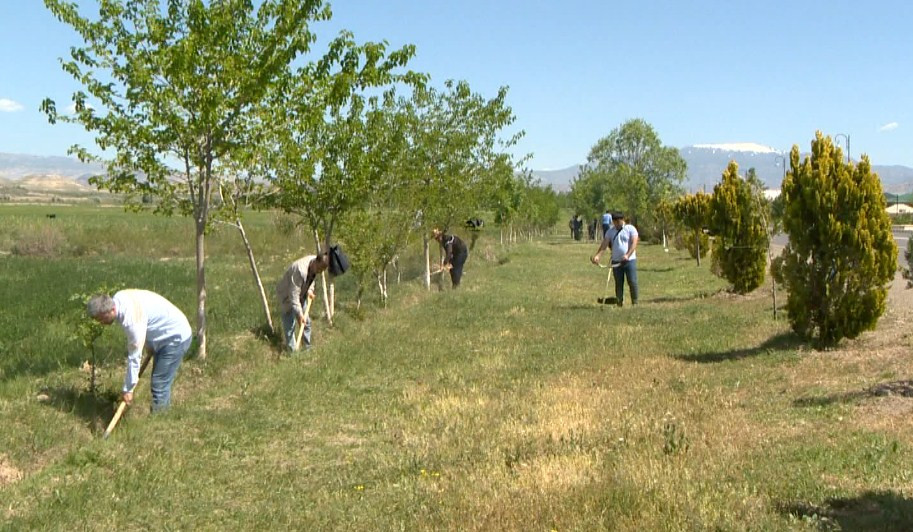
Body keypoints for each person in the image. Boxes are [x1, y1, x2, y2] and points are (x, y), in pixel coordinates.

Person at [87, 290, 192, 412]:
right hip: (163, 335)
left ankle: (159, 422)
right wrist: (150, 343)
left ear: (111, 310)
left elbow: (134, 357)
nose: (101, 323)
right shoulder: (120, 297)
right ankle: (162, 414)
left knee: (159, 383)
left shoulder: (131, 320)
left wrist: (128, 389)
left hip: (175, 337)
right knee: (159, 380)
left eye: (101, 319)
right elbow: (145, 317)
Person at [276, 252, 330, 353]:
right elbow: (294, 297)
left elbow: (311, 279)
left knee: (307, 323)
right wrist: (300, 315)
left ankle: (307, 349)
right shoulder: (300, 271)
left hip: (302, 293)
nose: (319, 272)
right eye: (318, 269)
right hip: (287, 295)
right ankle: (293, 353)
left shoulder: (316, 264)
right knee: (290, 325)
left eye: (321, 271)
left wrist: (310, 291)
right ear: (315, 262)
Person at [591, 212, 639, 306]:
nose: (615, 224)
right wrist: (598, 256)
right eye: (614, 222)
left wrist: (627, 255)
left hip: (629, 261)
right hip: (616, 261)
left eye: (616, 222)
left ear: (621, 220)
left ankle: (635, 302)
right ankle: (619, 302)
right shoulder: (610, 231)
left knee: (632, 281)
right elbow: (604, 244)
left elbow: (634, 243)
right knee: (618, 283)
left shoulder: (630, 229)